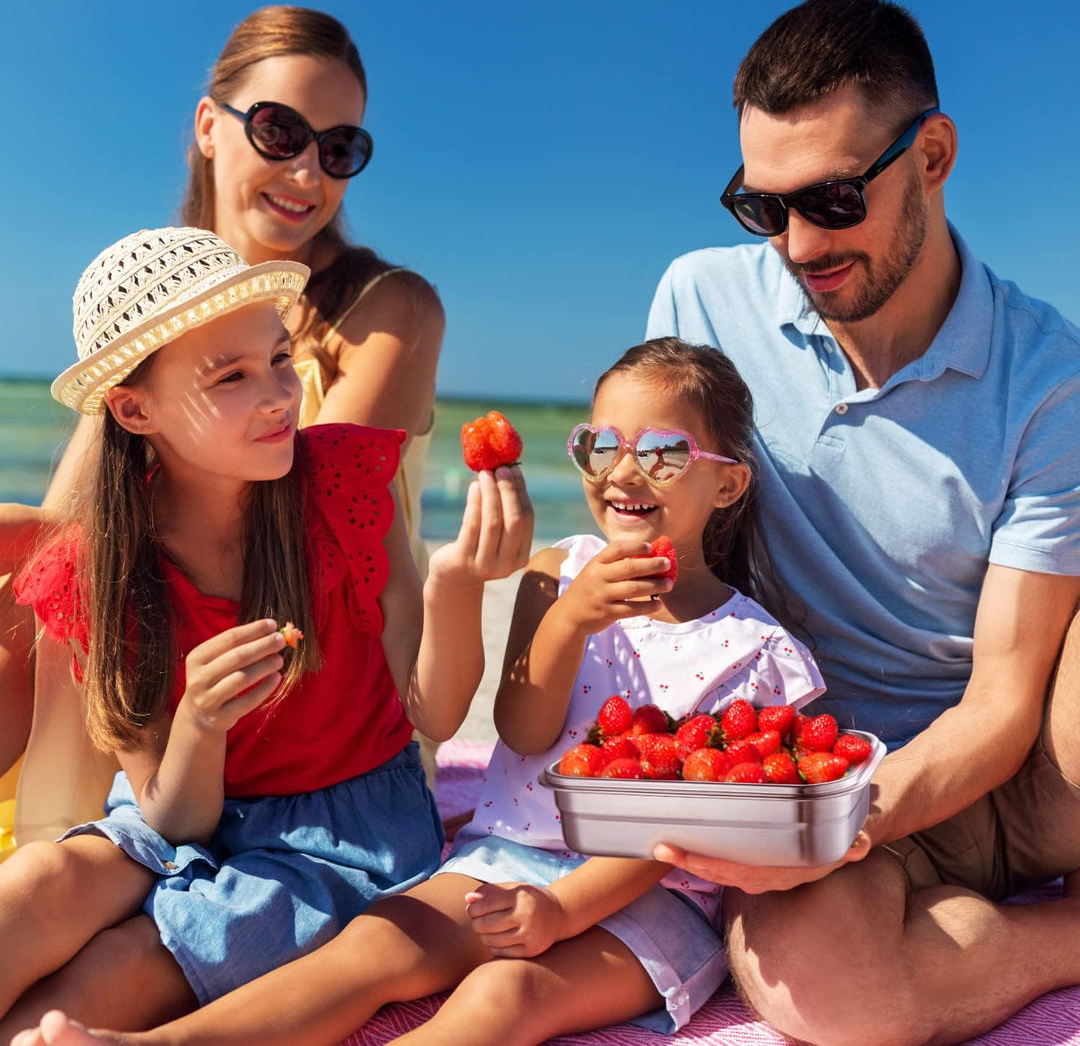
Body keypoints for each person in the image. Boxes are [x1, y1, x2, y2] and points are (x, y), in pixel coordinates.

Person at [11, 337, 830, 1046]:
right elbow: (524, 726)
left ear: (727, 485)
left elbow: (681, 834)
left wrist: (564, 912)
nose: (623, 470)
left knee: (502, 996)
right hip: (508, 856)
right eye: (599, 445)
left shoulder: (750, 653)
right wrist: (570, 620)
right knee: (373, 947)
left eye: (662, 453)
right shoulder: (558, 576)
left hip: (647, 894)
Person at [643, 0, 1080, 1046]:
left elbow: (1006, 704)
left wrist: (843, 822)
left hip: (1023, 779)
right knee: (822, 996)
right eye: (762, 207)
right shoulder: (700, 305)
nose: (796, 244)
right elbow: (666, 579)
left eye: (834, 200)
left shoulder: (1049, 379)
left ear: (932, 156)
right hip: (823, 769)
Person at [0, 225, 532, 1040]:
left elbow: (432, 712)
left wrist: (460, 585)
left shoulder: (348, 484)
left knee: (137, 962)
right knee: (44, 878)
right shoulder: (98, 567)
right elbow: (172, 820)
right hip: (182, 814)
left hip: (342, 834)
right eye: (232, 377)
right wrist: (201, 726)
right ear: (134, 408)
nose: (281, 393)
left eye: (280, 359)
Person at [2, 4, 446, 851]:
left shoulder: (391, 308)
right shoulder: (154, 321)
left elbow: (290, 499)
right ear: (211, 125)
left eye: (340, 147)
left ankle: (50, 843)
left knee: (71, 594)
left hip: (323, 705)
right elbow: (73, 528)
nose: (310, 173)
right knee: (43, 601)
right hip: (190, 692)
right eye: (281, 131)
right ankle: (47, 852)